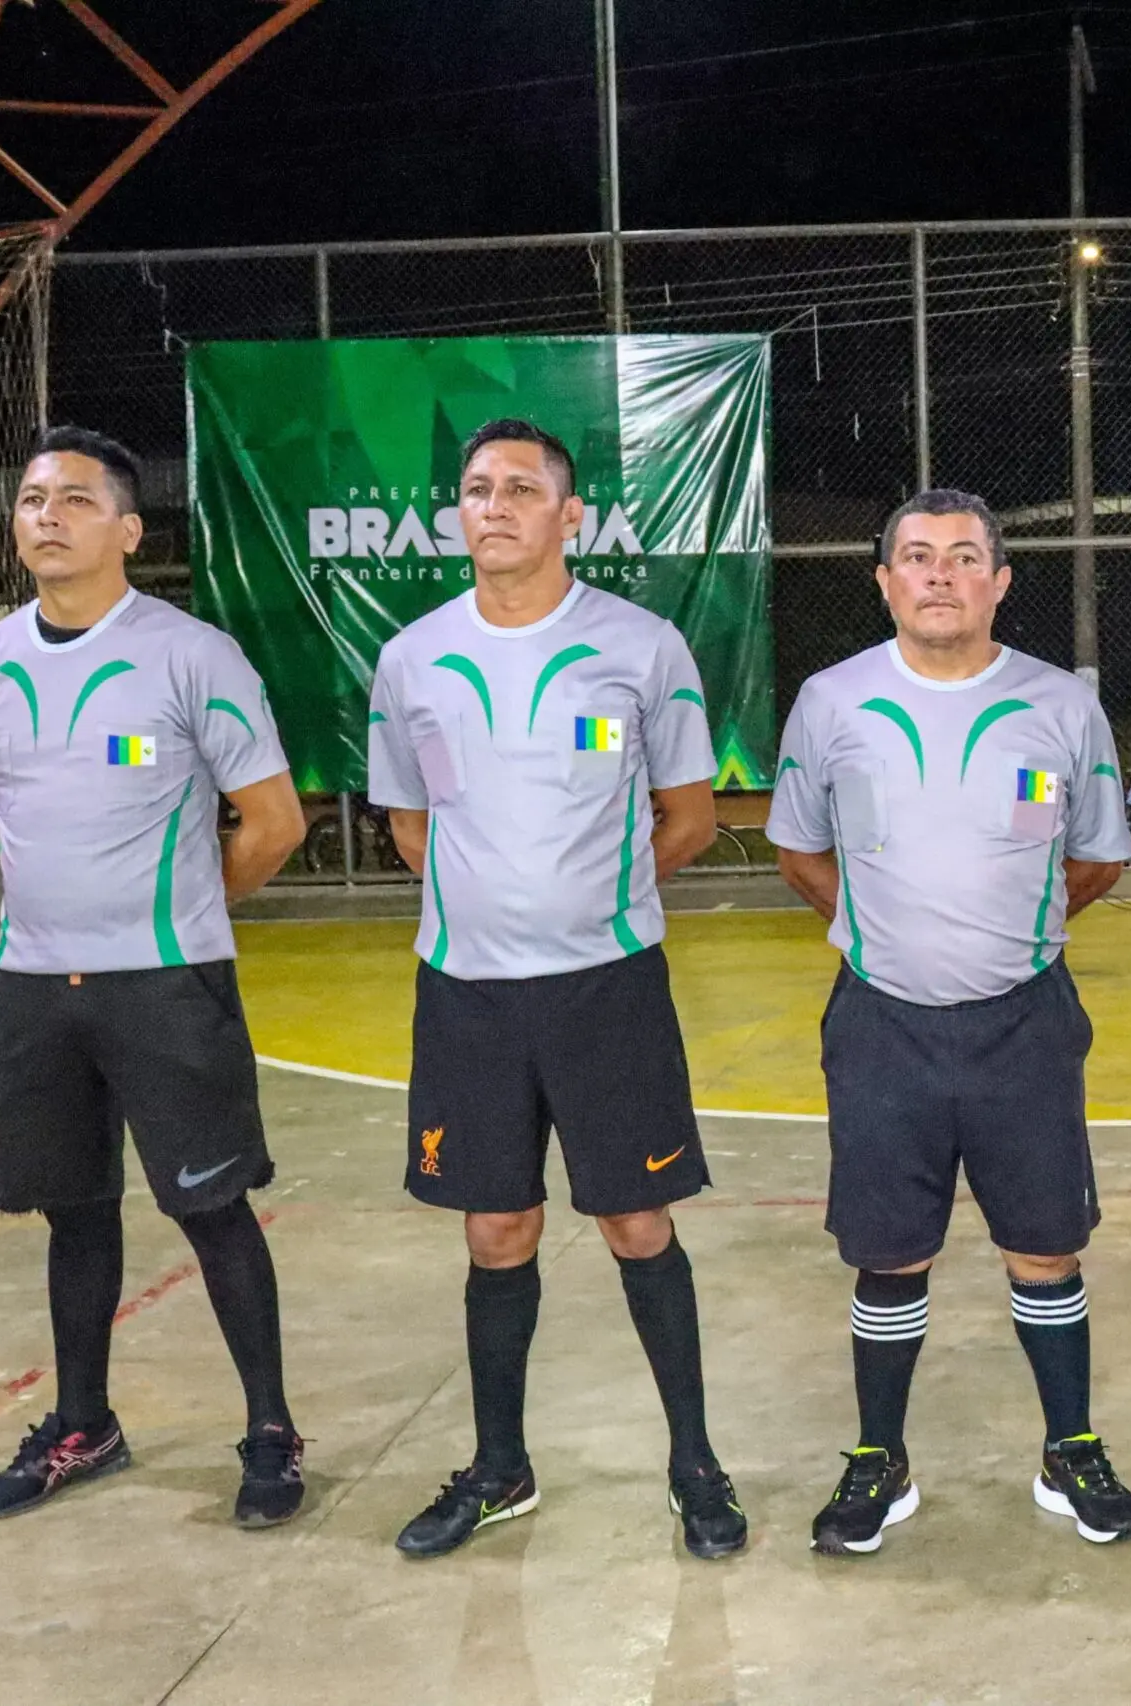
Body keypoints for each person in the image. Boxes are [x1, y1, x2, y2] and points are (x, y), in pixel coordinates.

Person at [367, 419, 744, 1559]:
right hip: (468, 994)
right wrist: (493, 905)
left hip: (606, 988)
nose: (495, 505)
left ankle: (695, 1466)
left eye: (522, 489)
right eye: (478, 488)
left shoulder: (640, 646)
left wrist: (590, 899)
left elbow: (689, 816)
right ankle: (500, 1468)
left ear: (570, 516)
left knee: (636, 1219)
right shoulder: (413, 658)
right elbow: (410, 826)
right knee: (495, 1227)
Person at [769, 489, 1131, 1557]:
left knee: (1045, 1244)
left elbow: (1097, 856)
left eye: (965, 556)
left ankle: (1069, 1448)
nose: (941, 574)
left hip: (1024, 1022)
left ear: (1000, 581)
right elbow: (799, 848)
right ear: (885, 580)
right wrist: (874, 931)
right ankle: (878, 1458)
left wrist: (1012, 933)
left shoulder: (1059, 705)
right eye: (919, 556)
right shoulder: (832, 702)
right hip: (879, 1022)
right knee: (889, 1253)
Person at [0, 427, 310, 1527]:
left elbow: (273, 822)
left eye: (74, 499)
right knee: (75, 1212)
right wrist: (57, 904)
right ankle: (83, 1424)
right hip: (31, 986)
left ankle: (271, 1432)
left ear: (129, 530)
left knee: (212, 1208)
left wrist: (182, 912)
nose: (47, 516)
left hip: (164, 984)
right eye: (31, 499)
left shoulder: (192, 654)